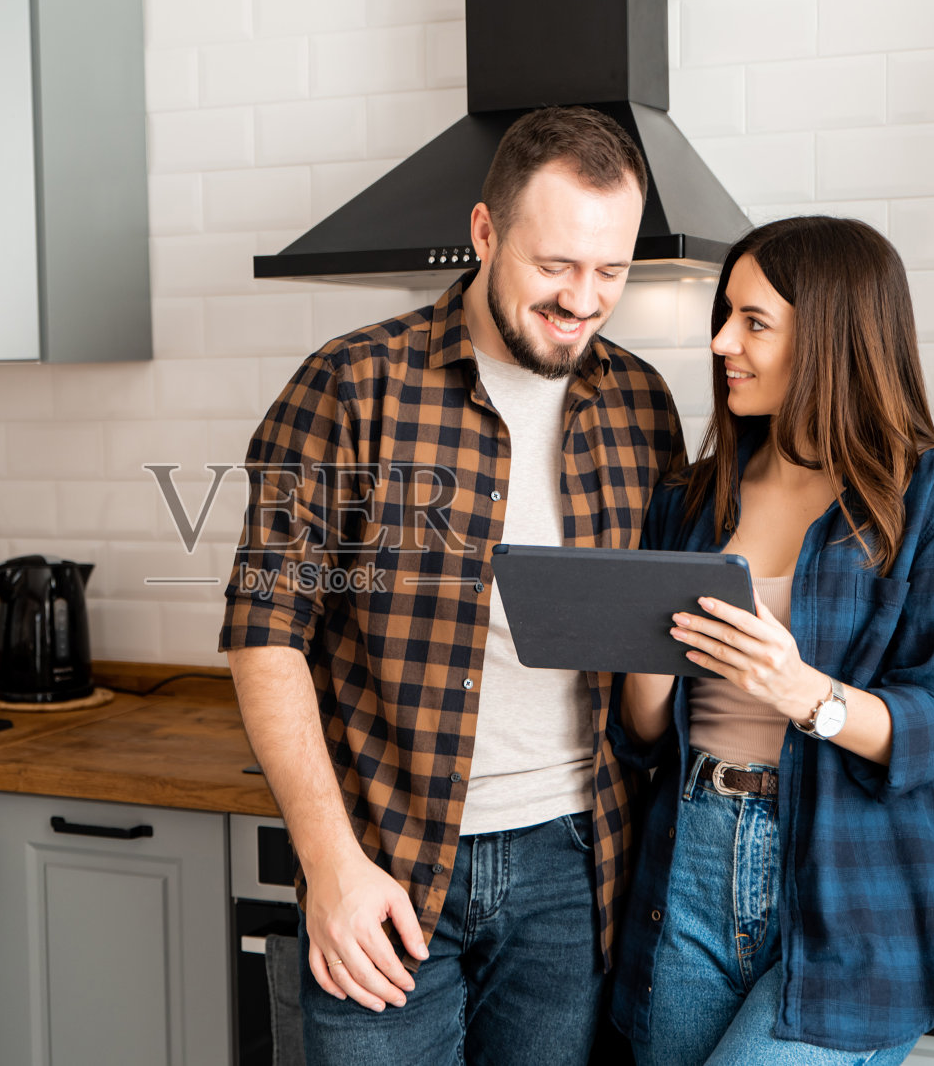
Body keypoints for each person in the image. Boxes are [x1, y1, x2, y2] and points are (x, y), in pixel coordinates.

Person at [218, 105, 686, 1062]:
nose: (583, 299)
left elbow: (644, 641)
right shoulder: (352, 385)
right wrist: (329, 863)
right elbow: (264, 633)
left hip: (574, 869)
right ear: (484, 232)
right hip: (386, 862)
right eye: (555, 265)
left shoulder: (640, 403)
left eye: (612, 271)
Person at [608, 215, 934, 1066]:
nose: (722, 342)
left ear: (831, 338)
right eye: (726, 316)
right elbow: (642, 737)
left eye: (754, 322)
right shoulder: (691, 499)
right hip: (689, 861)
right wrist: (644, 657)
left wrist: (804, 694)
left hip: (854, 882)